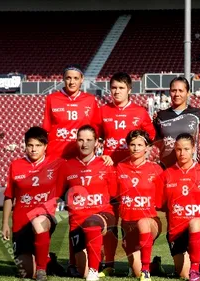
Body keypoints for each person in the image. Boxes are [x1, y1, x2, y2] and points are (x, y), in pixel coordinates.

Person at [99, 72, 156, 275]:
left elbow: (151, 135)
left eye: (121, 87)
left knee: (135, 216)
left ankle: (139, 254)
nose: (116, 91)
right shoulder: (102, 111)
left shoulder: (140, 112)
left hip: (134, 172)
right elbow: (94, 136)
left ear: (129, 89)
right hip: (111, 172)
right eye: (113, 87)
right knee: (111, 218)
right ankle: (109, 264)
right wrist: (101, 154)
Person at [1, 127, 65, 281]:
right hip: (21, 221)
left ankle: (42, 270)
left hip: (44, 217)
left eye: (38, 145)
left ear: (45, 146)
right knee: (27, 272)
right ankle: (48, 260)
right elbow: (9, 196)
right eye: (30, 145)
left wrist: (104, 157)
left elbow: (79, 165)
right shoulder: (15, 165)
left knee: (38, 222)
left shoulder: (56, 164)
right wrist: (4, 224)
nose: (34, 149)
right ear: (25, 146)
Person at [57, 125, 117, 281]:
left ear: (97, 143)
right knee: (81, 271)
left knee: (92, 223)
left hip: (103, 215)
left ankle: (93, 271)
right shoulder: (66, 166)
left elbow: (116, 194)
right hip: (77, 222)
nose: (85, 144)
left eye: (89, 140)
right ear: (76, 142)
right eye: (81, 140)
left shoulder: (105, 164)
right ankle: (84, 268)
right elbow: (56, 194)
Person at [157, 133, 200, 281]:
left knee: (195, 223)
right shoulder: (167, 174)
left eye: (186, 149)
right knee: (183, 273)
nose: (182, 153)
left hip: (199, 225)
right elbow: (162, 204)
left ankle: (195, 269)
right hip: (176, 230)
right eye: (178, 149)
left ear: (193, 149)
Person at [115, 130, 163, 280]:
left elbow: (161, 201)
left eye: (140, 145)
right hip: (128, 224)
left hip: (149, 222)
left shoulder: (156, 169)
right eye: (132, 144)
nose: (136, 148)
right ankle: (154, 264)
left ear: (147, 148)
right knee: (136, 272)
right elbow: (114, 196)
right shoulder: (120, 168)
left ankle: (147, 271)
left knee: (143, 222)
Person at [42, 64, 101, 160]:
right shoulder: (51, 99)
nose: (72, 82)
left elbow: (95, 127)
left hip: (81, 154)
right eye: (68, 78)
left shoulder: (90, 100)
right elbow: (46, 129)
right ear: (63, 79)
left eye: (76, 78)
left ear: (82, 79)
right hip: (56, 154)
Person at [154, 77, 200, 168]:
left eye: (181, 90)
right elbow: (155, 140)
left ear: (188, 93)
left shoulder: (198, 114)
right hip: (167, 168)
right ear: (169, 92)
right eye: (174, 90)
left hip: (191, 168)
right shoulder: (160, 116)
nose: (177, 94)